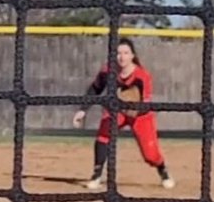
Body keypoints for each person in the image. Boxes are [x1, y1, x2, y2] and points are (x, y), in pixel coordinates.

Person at [73, 37, 174, 191]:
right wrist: (82, 110)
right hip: (117, 111)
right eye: (118, 53)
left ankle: (162, 169)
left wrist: (132, 107)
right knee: (103, 136)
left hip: (140, 115)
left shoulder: (142, 76)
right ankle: (96, 174)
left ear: (132, 55)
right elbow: (95, 89)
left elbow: (146, 103)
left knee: (150, 155)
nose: (122, 57)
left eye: (126, 53)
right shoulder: (108, 71)